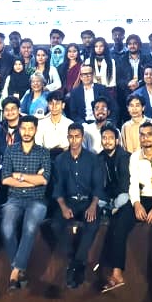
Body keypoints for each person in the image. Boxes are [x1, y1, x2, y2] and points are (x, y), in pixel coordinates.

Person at [102, 121, 152, 302]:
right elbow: (133, 184)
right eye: (142, 135)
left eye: (149, 134)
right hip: (141, 198)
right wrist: (136, 203)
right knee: (119, 223)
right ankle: (117, 273)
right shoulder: (135, 156)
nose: (145, 138)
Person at [0, 114, 51, 290]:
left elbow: (44, 180)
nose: (27, 132)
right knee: (6, 228)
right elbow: (5, 179)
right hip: (14, 198)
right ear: (19, 130)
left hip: (37, 199)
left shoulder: (43, 152)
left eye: (30, 128)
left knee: (29, 228)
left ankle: (15, 273)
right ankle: (20, 270)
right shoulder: (10, 150)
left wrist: (19, 176)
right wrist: (32, 179)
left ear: (36, 130)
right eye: (24, 128)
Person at [53, 122, 103, 289]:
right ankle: (73, 260)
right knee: (55, 224)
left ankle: (75, 265)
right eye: (71, 137)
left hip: (88, 201)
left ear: (82, 138)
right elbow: (58, 187)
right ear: (67, 138)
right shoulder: (60, 160)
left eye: (77, 137)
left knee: (93, 223)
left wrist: (93, 205)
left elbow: (98, 186)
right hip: (69, 201)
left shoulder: (93, 159)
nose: (74, 140)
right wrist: (63, 207)